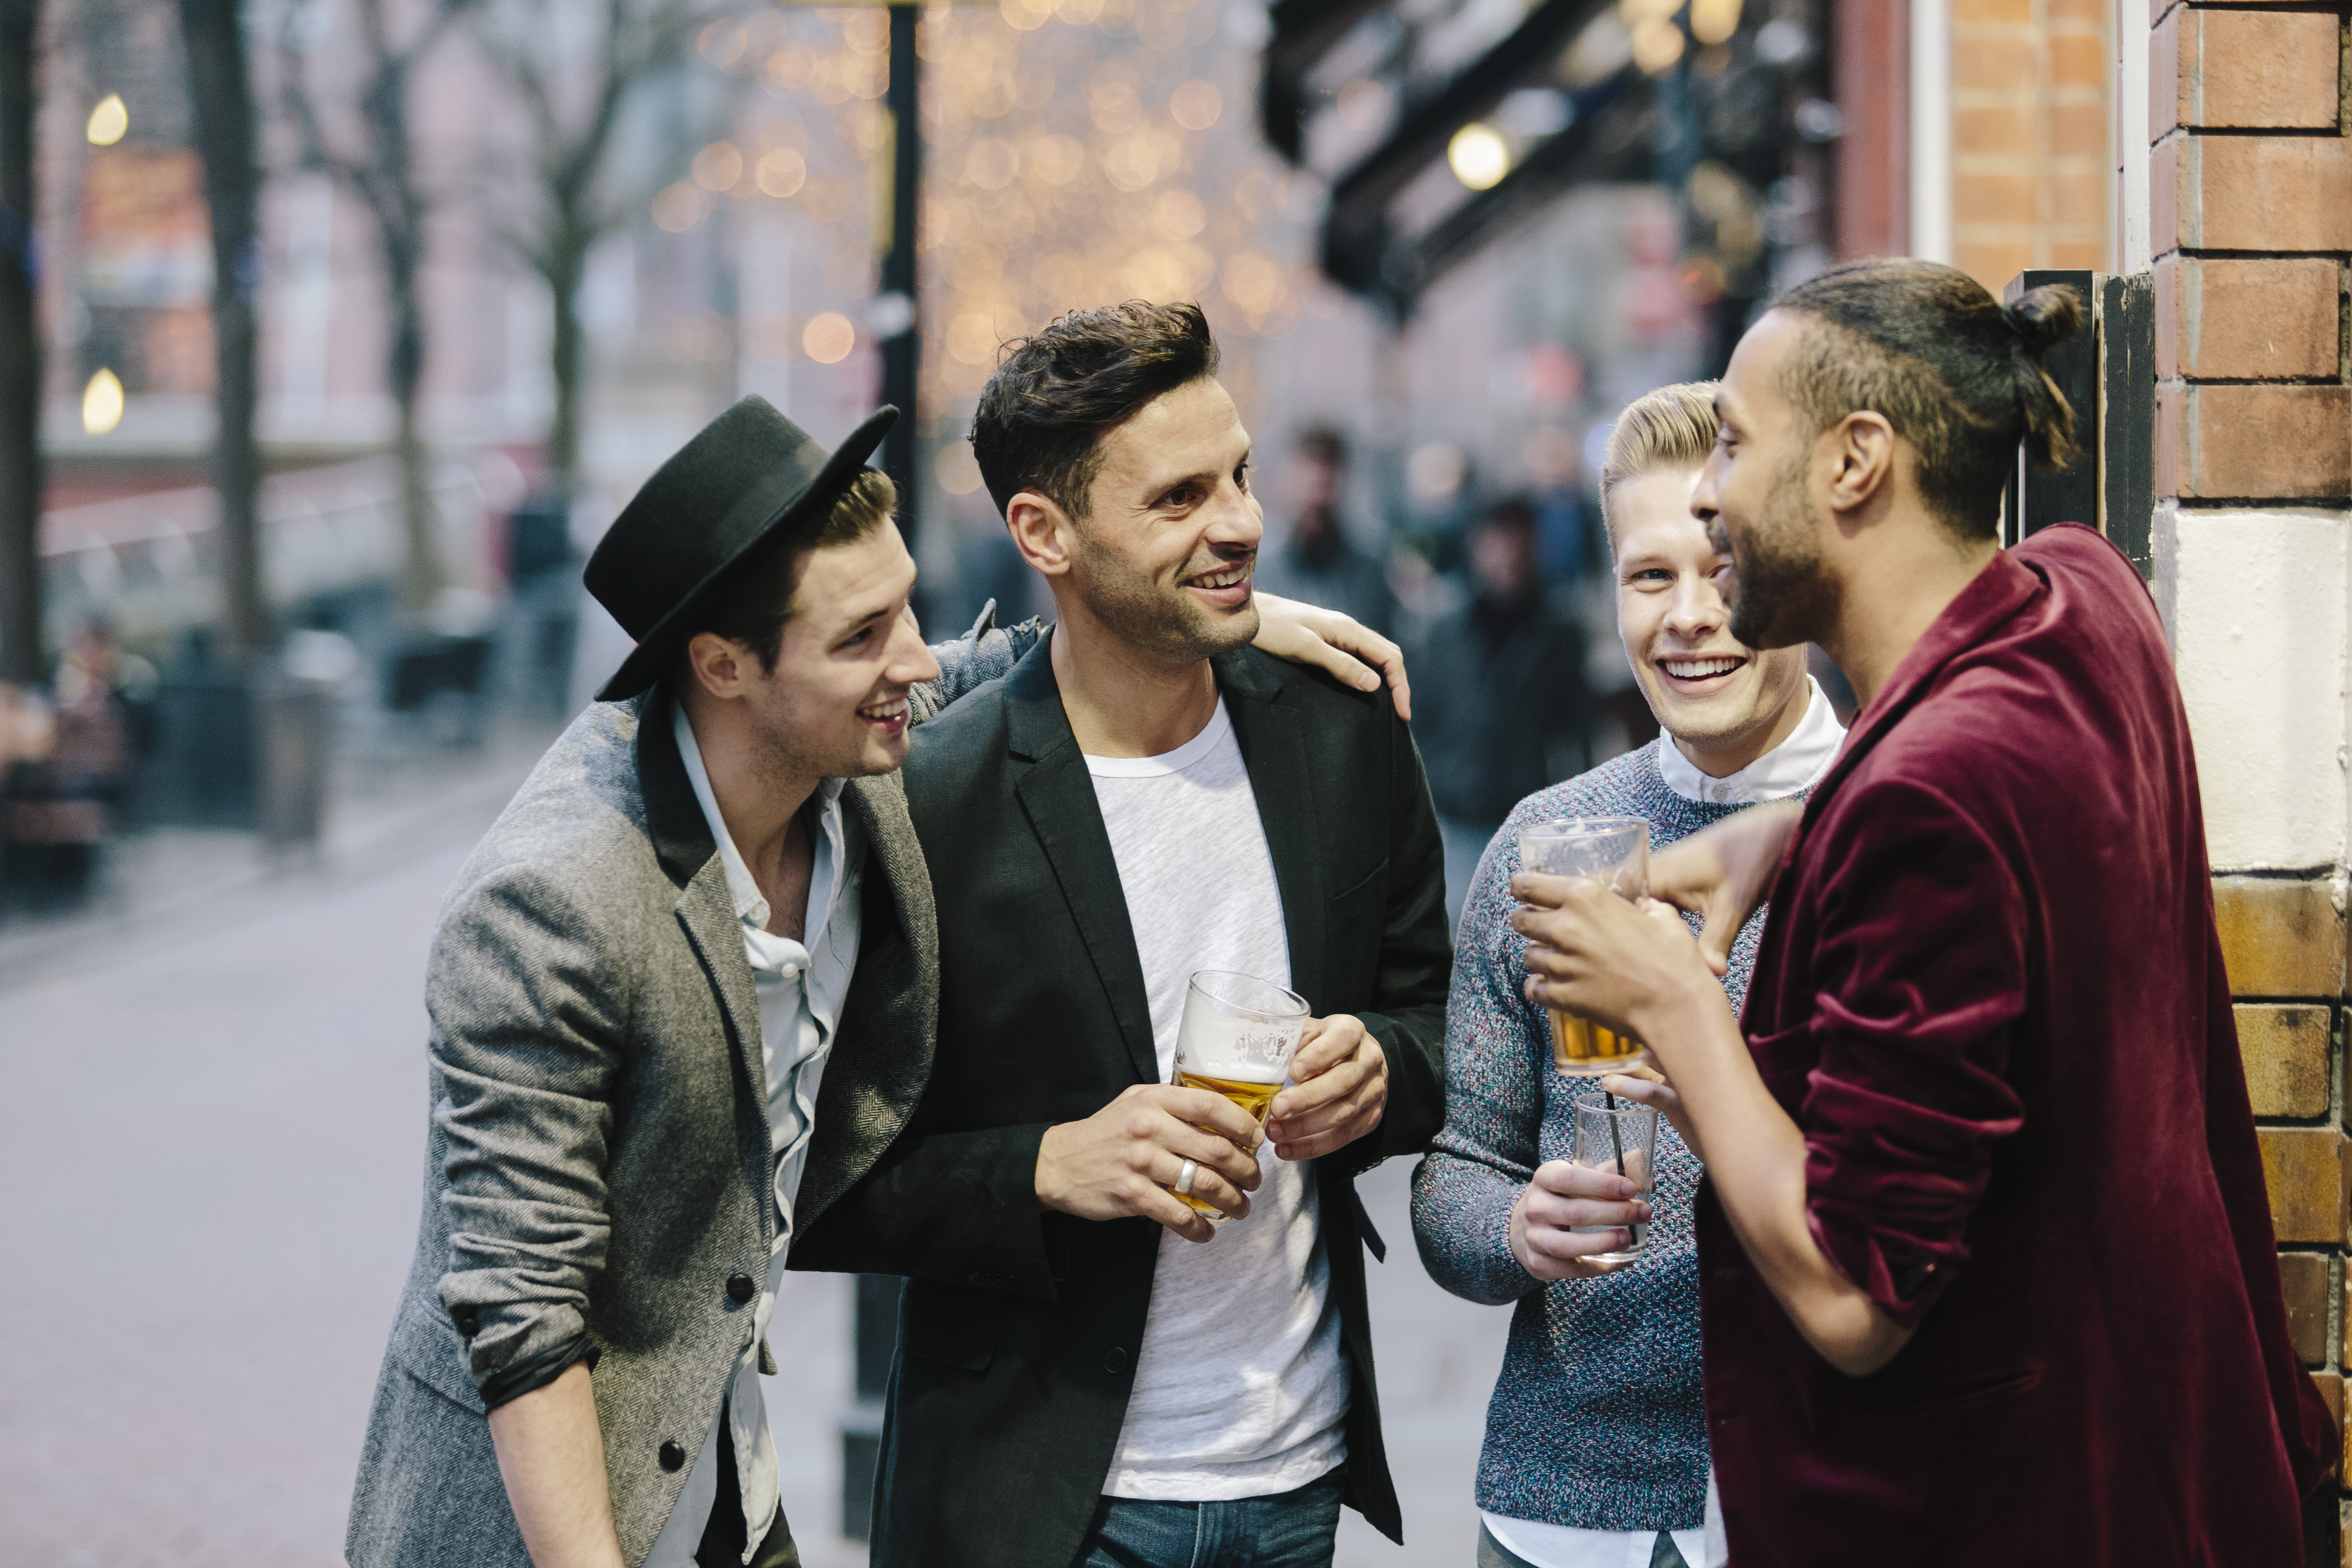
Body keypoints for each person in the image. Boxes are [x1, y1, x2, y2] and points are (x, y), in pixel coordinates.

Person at [343, 395, 1410, 1568]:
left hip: (723, 1486)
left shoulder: (834, 746)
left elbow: (1001, 661)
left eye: (905, 607)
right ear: (722, 665)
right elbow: (525, 1323)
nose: (911, 660)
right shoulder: (556, 904)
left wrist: (1232, 617)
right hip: (540, 1518)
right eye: (864, 637)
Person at [1510, 260, 2334, 1565]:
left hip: (2015, 1512)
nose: (1712, 490)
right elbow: (2017, 799)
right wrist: (1787, 833)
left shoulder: (1928, 799)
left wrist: (1674, 1001)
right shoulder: (2080, 597)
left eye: (1733, 439)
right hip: (2184, 1466)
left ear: (1856, 461)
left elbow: (1854, 1296)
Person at [792, 302, 1451, 1568]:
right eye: (1180, 498)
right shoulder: (926, 802)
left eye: (1243, 475)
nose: (1243, 523)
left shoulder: (1343, 720)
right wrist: (1047, 1167)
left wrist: (1380, 1066)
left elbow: (1434, 1023)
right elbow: (807, 1182)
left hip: (1297, 1477)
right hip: (1033, 1507)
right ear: (1045, 532)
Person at [1411, 382, 1843, 1568]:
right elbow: (1457, 1176)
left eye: (1725, 569)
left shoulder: (1885, 828)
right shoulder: (1548, 845)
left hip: (1818, 1491)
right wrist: (1515, 1222)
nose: (1691, 617)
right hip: (1566, 1504)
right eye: (1652, 578)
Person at [1408, 496, 1593, 924]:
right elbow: (1417, 724)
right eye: (1497, 543)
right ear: (1478, 547)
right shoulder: (1443, 631)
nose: (1508, 556)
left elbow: (1578, 732)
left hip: (1527, 821)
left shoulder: (1559, 631)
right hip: (1455, 822)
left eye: (1519, 543)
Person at [1250, 426, 1393, 637]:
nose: (1318, 477)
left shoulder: (1371, 574)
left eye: (1328, 465)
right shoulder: (1260, 570)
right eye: (1308, 464)